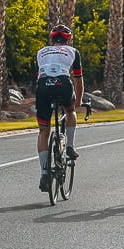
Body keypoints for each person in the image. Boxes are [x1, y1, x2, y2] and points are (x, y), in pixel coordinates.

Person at [34, 24, 84, 192]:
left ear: (52, 38)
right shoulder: (73, 52)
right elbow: (78, 79)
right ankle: (69, 145)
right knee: (70, 112)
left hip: (43, 86)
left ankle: (44, 172)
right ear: (68, 40)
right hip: (63, 83)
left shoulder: (41, 52)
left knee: (43, 131)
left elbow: (39, 75)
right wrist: (77, 102)